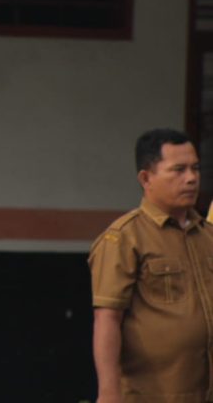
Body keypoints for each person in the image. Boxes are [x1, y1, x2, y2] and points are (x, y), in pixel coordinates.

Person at [89, 127, 213, 403]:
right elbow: (107, 319)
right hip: (151, 394)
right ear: (146, 178)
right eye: (178, 170)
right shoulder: (125, 238)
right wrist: (109, 393)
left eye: (195, 168)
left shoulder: (207, 236)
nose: (191, 178)